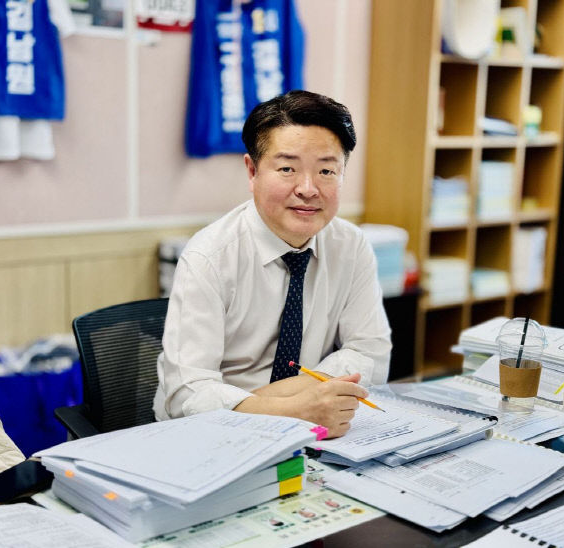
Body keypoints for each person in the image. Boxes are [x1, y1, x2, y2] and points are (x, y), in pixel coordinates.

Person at [153, 90, 392, 438]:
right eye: (287, 169)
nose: (308, 189)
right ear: (252, 171)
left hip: (312, 429)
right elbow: (186, 394)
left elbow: (372, 354)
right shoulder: (209, 257)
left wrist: (287, 400)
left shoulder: (350, 246)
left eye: (326, 170)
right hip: (211, 435)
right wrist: (296, 409)